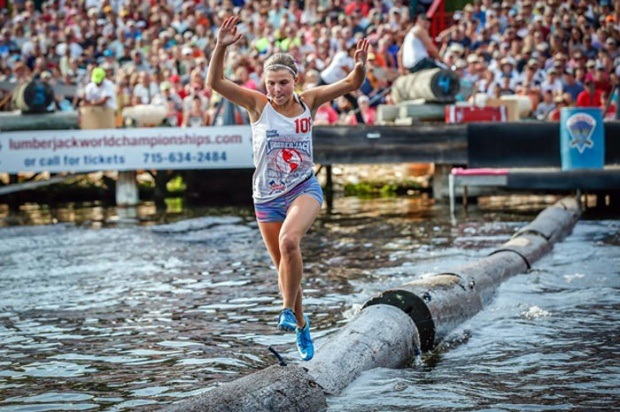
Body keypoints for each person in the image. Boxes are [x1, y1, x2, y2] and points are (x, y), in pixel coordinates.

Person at [207, 16, 368, 361]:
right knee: (284, 265)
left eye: (283, 83)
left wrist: (360, 66)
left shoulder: (310, 100)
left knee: (289, 242)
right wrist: (221, 45)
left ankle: (284, 312)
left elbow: (353, 82)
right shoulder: (257, 105)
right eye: (271, 84)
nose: (277, 90)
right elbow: (216, 82)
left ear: (295, 81)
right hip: (266, 198)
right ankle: (301, 323)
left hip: (303, 189)